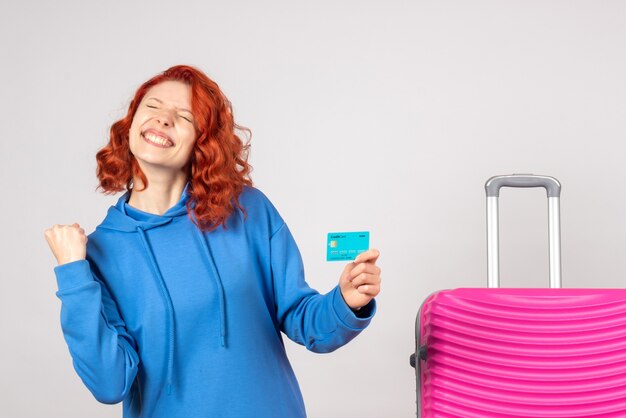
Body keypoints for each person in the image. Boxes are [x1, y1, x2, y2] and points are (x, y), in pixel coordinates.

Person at [44, 65, 381, 418]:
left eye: (184, 117)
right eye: (153, 106)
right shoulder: (99, 253)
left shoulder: (246, 209)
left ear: (202, 141)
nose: (163, 120)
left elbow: (305, 320)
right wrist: (73, 276)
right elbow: (109, 383)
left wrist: (346, 302)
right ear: (131, 123)